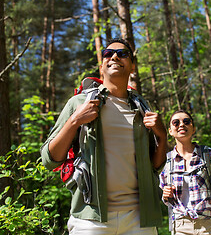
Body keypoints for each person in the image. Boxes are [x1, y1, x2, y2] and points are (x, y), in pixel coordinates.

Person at [40, 38, 167, 234]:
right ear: (102, 67)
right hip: (91, 219)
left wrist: (162, 135)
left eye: (123, 54)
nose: (115, 56)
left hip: (139, 219)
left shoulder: (142, 108)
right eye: (108, 54)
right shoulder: (80, 102)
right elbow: (49, 159)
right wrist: (75, 121)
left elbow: (155, 166)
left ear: (132, 66)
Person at [159, 110, 211, 235]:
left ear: (193, 129)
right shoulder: (166, 162)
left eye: (186, 121)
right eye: (176, 123)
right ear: (170, 131)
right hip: (181, 225)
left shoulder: (209, 155)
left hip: (209, 224)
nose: (181, 125)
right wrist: (165, 194)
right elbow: (164, 196)